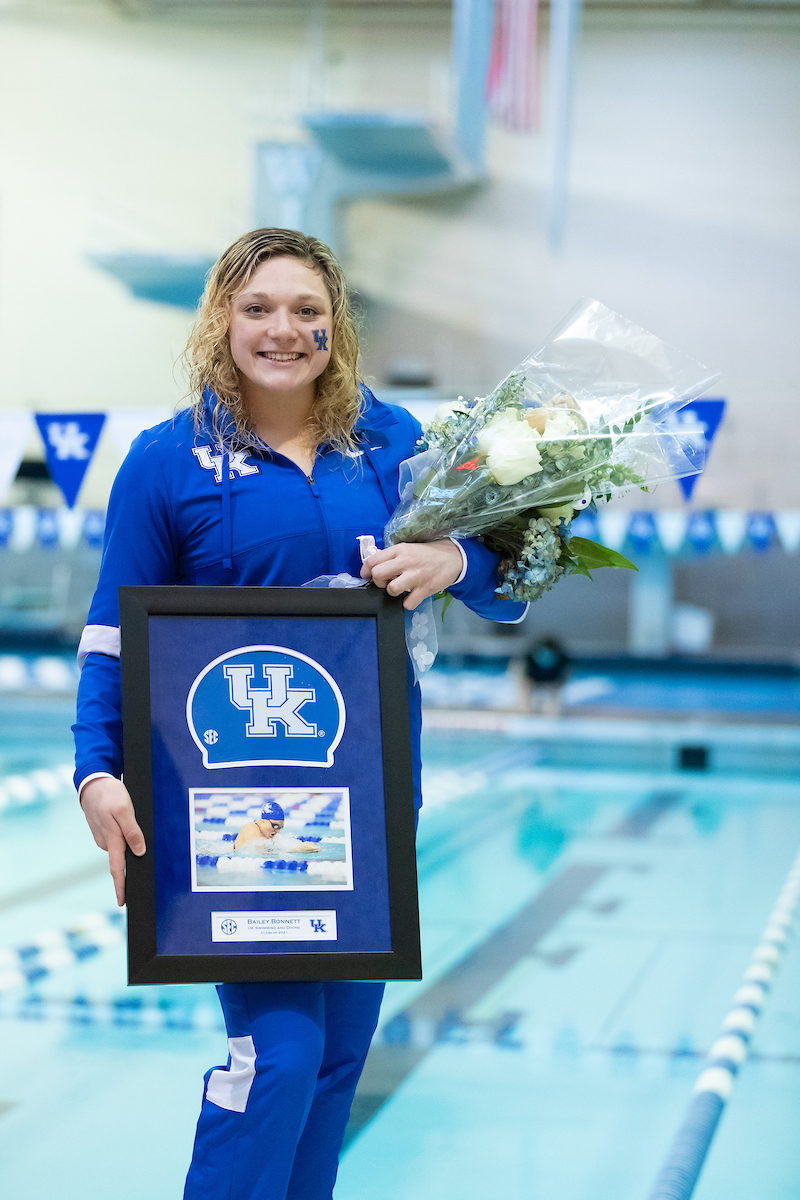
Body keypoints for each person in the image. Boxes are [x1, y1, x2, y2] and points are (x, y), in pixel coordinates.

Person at [73, 227, 528, 1200]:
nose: (283, 329)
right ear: (220, 322)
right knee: (277, 1055)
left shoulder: (394, 445)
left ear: (336, 325)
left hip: (363, 798)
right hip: (226, 803)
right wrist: (95, 769)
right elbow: (114, 629)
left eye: (307, 311)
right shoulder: (166, 461)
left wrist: (455, 560)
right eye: (258, 308)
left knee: (335, 1063)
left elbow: (512, 577)